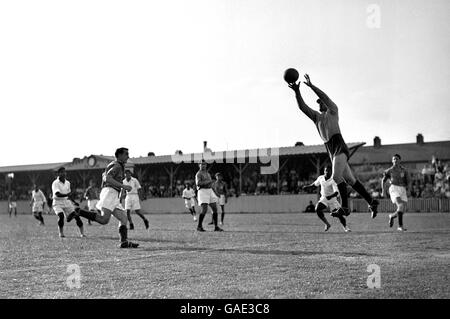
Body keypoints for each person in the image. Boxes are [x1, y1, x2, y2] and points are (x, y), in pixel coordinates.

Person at [288, 74, 379, 218]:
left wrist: (312, 87)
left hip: (339, 146)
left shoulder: (333, 110)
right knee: (350, 180)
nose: (319, 104)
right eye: (318, 102)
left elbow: (325, 96)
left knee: (336, 177)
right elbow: (302, 107)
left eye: (321, 102)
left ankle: (345, 208)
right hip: (331, 150)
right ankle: (372, 201)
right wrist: (297, 92)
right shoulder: (317, 117)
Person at [71, 148, 139, 248]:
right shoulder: (117, 165)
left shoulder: (116, 165)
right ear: (119, 155)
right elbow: (107, 178)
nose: (128, 156)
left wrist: (120, 192)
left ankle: (123, 241)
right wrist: (123, 186)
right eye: (126, 154)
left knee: (123, 218)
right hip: (110, 193)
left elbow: (105, 176)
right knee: (104, 220)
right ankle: (79, 211)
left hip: (112, 194)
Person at [304, 167, 350, 232]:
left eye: (329, 171)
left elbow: (336, 192)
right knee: (317, 209)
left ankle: (346, 227)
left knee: (339, 215)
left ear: (331, 172)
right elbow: (315, 184)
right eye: (326, 171)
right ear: (324, 171)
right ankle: (327, 224)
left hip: (333, 200)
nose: (327, 172)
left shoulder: (333, 180)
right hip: (324, 198)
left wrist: (330, 196)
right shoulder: (321, 178)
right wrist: (307, 187)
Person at [51, 167, 85, 238]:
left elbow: (69, 195)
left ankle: (82, 233)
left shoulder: (67, 183)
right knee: (61, 216)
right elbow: (57, 194)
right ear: (58, 174)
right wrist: (67, 195)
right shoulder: (55, 183)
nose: (64, 173)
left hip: (66, 201)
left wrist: (74, 202)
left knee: (76, 216)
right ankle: (61, 233)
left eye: (64, 172)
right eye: (62, 172)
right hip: (57, 202)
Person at [381, 154, 410, 231]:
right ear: (392, 161)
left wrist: (409, 190)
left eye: (396, 159)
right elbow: (383, 181)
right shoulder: (389, 171)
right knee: (400, 206)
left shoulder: (404, 170)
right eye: (394, 159)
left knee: (403, 210)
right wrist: (383, 191)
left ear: (400, 160)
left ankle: (392, 216)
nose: (395, 160)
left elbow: (408, 181)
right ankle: (400, 226)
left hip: (402, 189)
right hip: (394, 188)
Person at [195, 161, 223, 232]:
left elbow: (211, 184)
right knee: (204, 209)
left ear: (206, 165)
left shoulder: (208, 173)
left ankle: (216, 227)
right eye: (201, 164)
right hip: (203, 191)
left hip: (209, 190)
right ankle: (199, 226)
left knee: (215, 208)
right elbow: (198, 183)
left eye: (204, 164)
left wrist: (215, 192)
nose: (203, 165)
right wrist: (209, 182)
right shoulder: (198, 174)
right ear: (199, 165)